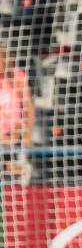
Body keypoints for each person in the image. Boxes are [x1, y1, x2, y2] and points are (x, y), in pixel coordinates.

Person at [0, 44, 35, 183]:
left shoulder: (17, 77)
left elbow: (29, 108)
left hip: (16, 133)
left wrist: (27, 135)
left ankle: (15, 168)